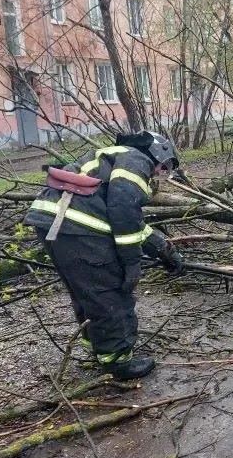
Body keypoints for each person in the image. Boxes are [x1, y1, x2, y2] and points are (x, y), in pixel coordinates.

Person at [24, 130, 185, 380]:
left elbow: (129, 221)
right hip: (80, 228)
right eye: (163, 168)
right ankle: (118, 362)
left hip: (53, 224)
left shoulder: (109, 157)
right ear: (157, 153)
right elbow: (123, 212)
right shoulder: (136, 160)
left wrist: (164, 250)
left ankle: (99, 349)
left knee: (86, 291)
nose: (158, 174)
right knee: (109, 293)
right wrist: (131, 264)